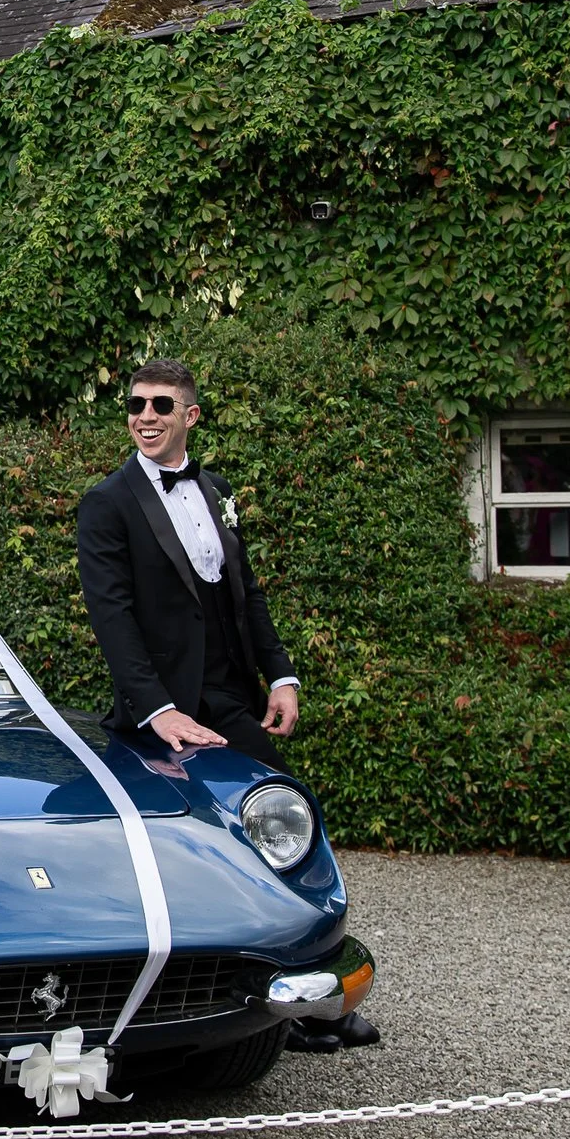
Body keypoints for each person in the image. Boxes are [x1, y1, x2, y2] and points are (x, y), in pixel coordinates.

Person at [74, 357, 378, 1052]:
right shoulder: (108, 502)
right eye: (135, 404)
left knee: (268, 830)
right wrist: (158, 712)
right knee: (277, 819)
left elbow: (246, 594)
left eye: (159, 405)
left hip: (234, 693)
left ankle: (293, 1000)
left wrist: (281, 675)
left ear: (191, 415)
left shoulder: (215, 489)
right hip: (174, 710)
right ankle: (300, 1004)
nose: (144, 416)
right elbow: (112, 618)